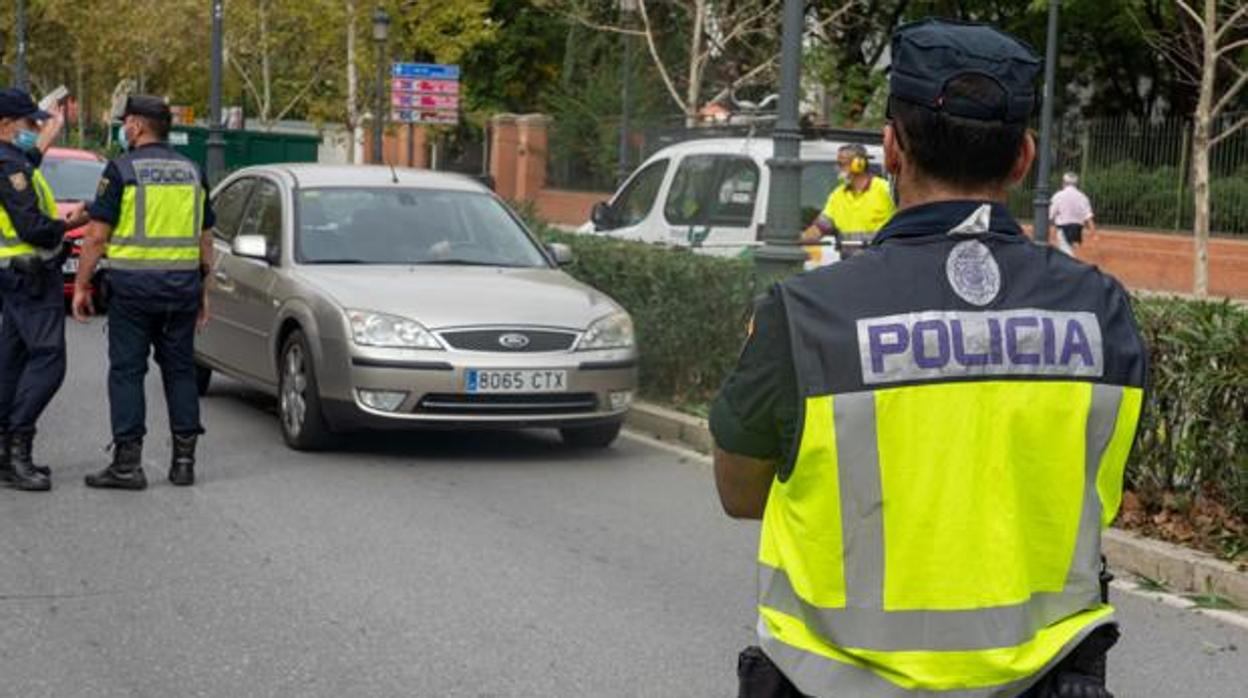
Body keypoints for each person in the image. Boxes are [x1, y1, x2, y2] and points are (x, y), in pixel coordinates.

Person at [711, 19, 1145, 698]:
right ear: (1024, 157)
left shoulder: (803, 316)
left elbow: (739, 493)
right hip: (1043, 683)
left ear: (890, 148)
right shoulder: (1103, 311)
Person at [72, 95, 215, 490]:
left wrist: (82, 285)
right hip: (181, 290)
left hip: (133, 291)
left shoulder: (120, 169)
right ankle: (184, 463)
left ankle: (127, 465)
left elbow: (97, 237)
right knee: (181, 371)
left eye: (126, 122)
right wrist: (206, 289)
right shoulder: (192, 171)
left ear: (136, 126)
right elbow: (206, 238)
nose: (124, 128)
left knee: (127, 373)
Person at [0, 88, 87, 492]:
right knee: (50, 361)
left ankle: (6, 454)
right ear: (5, 125)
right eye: (28, 123)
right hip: (29, 276)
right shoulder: (6, 165)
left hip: (17, 276)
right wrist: (71, 223)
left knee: (13, 362)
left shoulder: (12, 159)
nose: (34, 129)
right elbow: (31, 225)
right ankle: (18, 449)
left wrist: (49, 133)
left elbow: (26, 163)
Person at [801, 143, 895, 254]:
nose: (837, 169)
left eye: (841, 164)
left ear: (858, 164)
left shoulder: (885, 190)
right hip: (849, 264)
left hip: (879, 262)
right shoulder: (837, 196)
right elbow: (819, 228)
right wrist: (792, 240)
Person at [1050, 172, 1096, 255]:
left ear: (1064, 182)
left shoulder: (1058, 195)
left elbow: (1050, 215)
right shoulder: (1082, 196)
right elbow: (1088, 217)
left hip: (1064, 227)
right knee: (1069, 249)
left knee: (1066, 252)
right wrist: (1093, 233)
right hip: (1077, 229)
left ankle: (1071, 265)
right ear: (1076, 184)